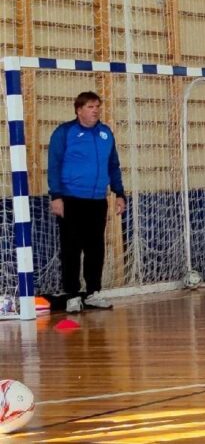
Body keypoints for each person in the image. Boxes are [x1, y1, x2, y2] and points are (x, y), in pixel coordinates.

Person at [47, 92, 127, 313]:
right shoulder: (65, 132)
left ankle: (93, 293)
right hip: (71, 199)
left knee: (95, 249)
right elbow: (54, 165)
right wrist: (56, 196)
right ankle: (72, 295)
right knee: (71, 249)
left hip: (98, 200)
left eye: (97, 106)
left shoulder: (105, 133)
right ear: (79, 110)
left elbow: (113, 165)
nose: (96, 110)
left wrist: (119, 193)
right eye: (91, 107)